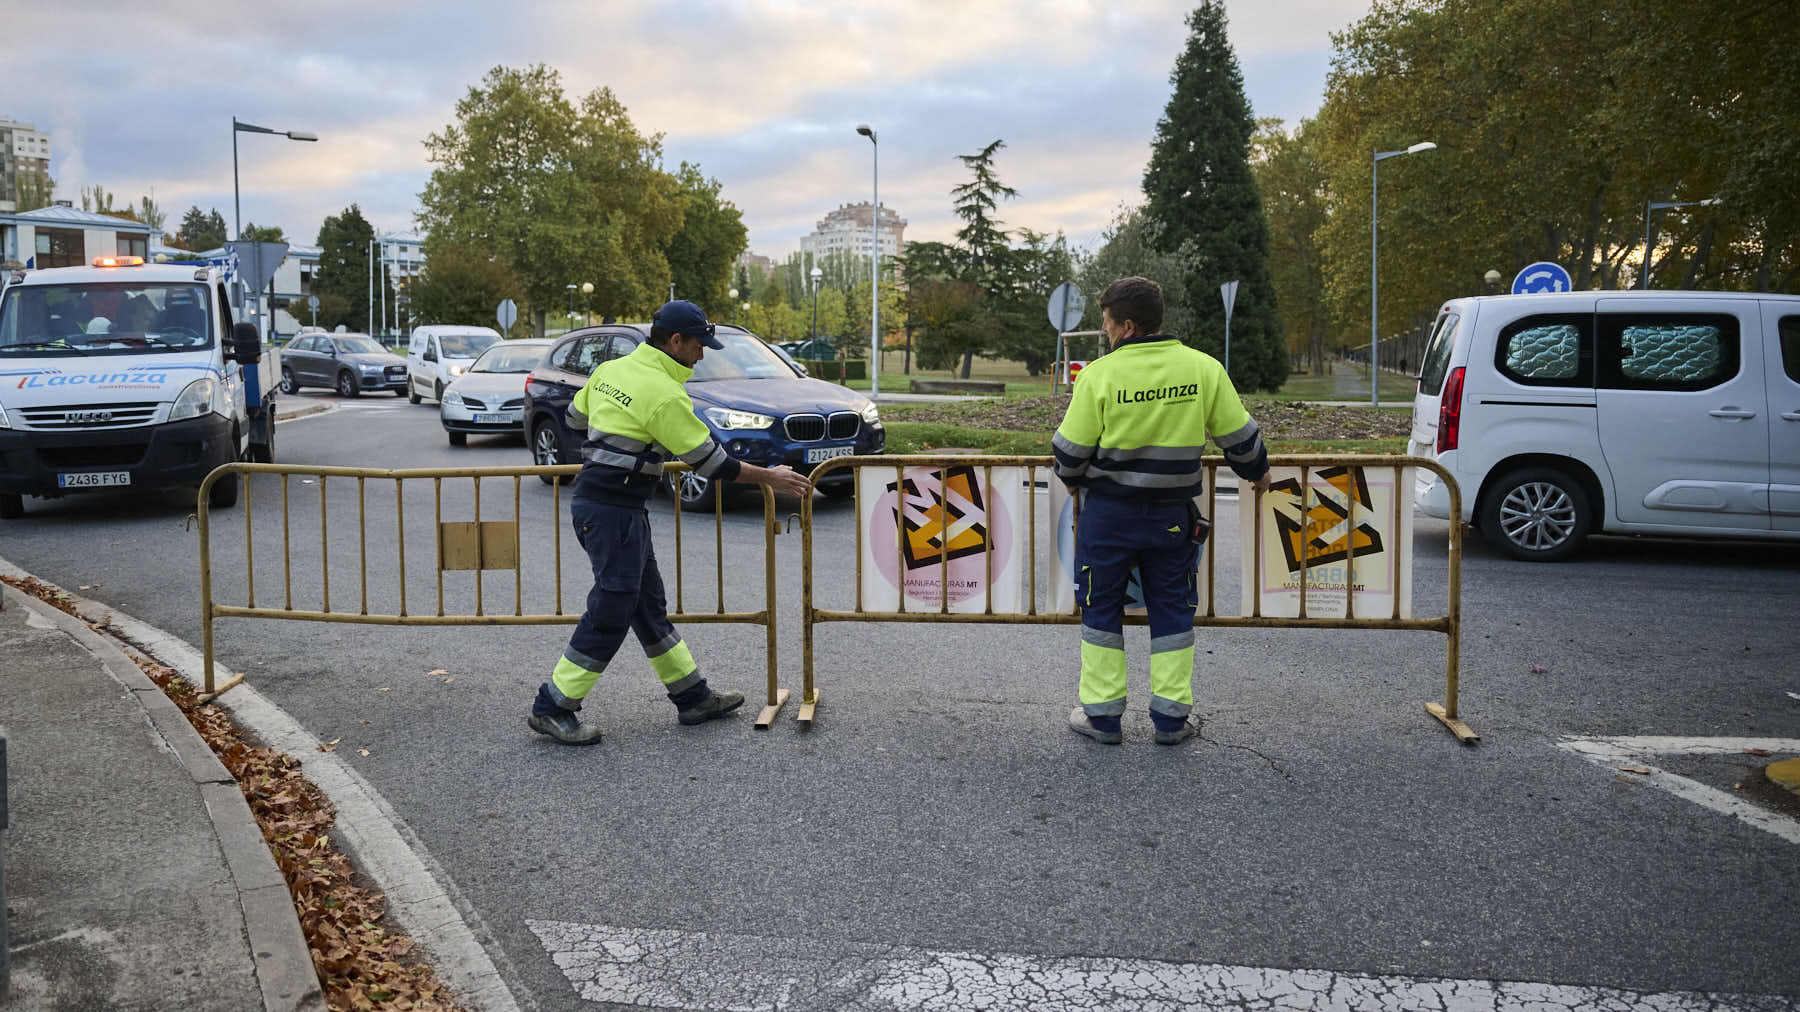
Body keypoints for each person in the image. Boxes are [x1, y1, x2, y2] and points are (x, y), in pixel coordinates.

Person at [528, 300, 814, 744]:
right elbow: (711, 463)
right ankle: (553, 706)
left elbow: (575, 417)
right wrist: (770, 477)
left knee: (647, 608)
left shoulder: (611, 371)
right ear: (676, 341)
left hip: (606, 503)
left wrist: (619, 436)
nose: (702, 355)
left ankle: (692, 697)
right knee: (611, 611)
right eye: (699, 345)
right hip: (613, 511)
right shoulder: (663, 393)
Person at [1051, 277, 1273, 746]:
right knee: (1172, 609)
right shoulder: (1203, 368)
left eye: (1108, 322)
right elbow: (1240, 438)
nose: (1105, 330)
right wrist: (1258, 473)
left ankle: (1103, 717)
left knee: (1101, 608)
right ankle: (1171, 720)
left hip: (1108, 516)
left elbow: (1069, 457)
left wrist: (1072, 480)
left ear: (1127, 325)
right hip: (1171, 517)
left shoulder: (1099, 375)